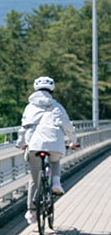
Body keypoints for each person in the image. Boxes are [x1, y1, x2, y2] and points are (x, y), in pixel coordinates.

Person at [16, 76, 79, 224]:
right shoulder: (57, 106)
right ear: (52, 89)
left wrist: (21, 144)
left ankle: (31, 212)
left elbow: (23, 129)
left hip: (34, 145)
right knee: (55, 161)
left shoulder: (30, 107)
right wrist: (74, 141)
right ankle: (56, 182)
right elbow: (68, 126)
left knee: (34, 179)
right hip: (55, 143)